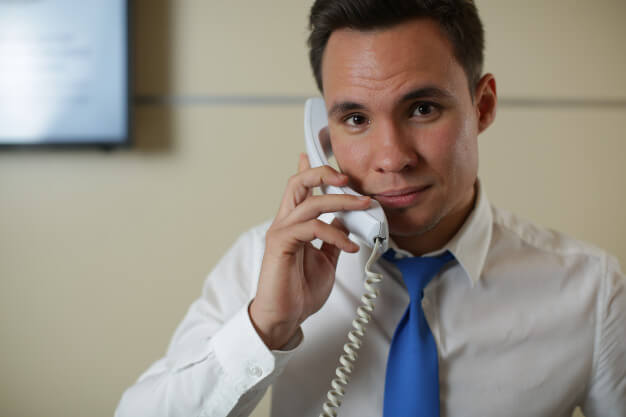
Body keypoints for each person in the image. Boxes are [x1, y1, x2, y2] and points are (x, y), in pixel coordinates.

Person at [116, 1, 626, 416]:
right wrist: (264, 328)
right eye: (356, 118)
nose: (392, 158)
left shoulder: (593, 288)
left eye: (422, 109)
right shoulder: (263, 263)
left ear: (483, 106)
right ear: (323, 135)